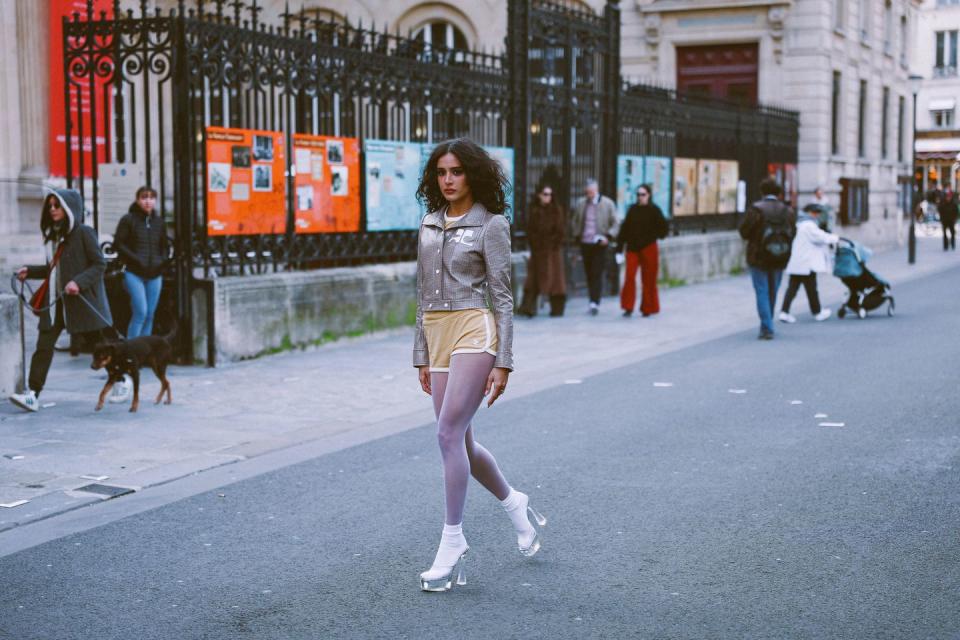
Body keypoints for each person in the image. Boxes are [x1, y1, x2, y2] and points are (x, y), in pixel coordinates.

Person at [413, 138, 545, 593]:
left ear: (473, 174)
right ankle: (515, 503)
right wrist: (422, 356)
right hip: (437, 333)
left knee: (447, 433)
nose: (448, 180)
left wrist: (503, 362)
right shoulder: (429, 223)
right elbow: (421, 294)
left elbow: (503, 296)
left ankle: (452, 540)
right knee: (462, 443)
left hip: (474, 328)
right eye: (441, 172)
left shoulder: (491, 225)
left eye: (457, 172)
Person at [9, 189, 112, 412]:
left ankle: (121, 379)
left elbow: (99, 264)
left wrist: (78, 282)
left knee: (99, 344)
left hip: (81, 301)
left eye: (57, 205)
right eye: (51, 205)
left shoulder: (84, 233)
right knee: (43, 346)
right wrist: (31, 271)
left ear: (69, 209)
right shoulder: (55, 236)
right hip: (56, 304)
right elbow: (53, 269)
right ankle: (33, 394)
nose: (53, 209)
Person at [738, 177, 796, 340]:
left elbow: (744, 232)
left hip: (758, 256)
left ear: (762, 192)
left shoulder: (756, 210)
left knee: (761, 290)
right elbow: (793, 232)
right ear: (778, 193)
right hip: (780, 255)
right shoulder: (787, 210)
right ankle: (767, 323)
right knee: (773, 290)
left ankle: (767, 326)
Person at [114, 186, 169, 338]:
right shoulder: (128, 220)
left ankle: (144, 351)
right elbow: (118, 244)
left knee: (150, 314)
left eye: (151, 198)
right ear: (137, 200)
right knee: (141, 312)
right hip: (134, 273)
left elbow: (164, 245)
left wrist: (161, 260)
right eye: (144, 197)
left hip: (155, 274)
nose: (148, 201)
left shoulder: (159, 222)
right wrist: (136, 259)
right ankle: (130, 351)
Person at [778, 203, 839, 324]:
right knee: (811, 288)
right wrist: (835, 238)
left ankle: (784, 312)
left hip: (798, 261)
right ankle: (817, 312)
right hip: (806, 263)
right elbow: (820, 237)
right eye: (815, 213)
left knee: (793, 288)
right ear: (810, 212)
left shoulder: (800, 223)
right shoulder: (808, 225)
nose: (817, 215)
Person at [617, 184, 668, 318]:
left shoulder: (654, 210)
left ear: (649, 195)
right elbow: (624, 229)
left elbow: (663, 228)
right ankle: (628, 307)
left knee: (649, 279)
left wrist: (654, 235)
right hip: (633, 248)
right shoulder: (632, 210)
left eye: (643, 194)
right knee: (629, 276)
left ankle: (648, 307)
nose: (640, 197)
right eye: (638, 195)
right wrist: (619, 248)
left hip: (648, 247)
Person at [570, 178, 618, 315]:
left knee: (596, 272)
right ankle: (592, 299)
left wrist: (608, 236)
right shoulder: (581, 203)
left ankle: (594, 302)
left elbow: (615, 223)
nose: (589, 195)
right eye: (587, 192)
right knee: (589, 272)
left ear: (596, 191)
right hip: (585, 242)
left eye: (591, 192)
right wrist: (576, 234)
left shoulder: (607, 203)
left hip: (599, 243)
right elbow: (576, 220)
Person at [518, 184, 567, 317]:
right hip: (538, 250)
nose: (548, 197)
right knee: (533, 279)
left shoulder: (557, 210)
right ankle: (528, 307)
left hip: (552, 251)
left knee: (555, 280)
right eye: (545, 194)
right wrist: (536, 244)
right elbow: (530, 230)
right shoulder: (534, 210)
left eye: (550, 194)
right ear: (539, 195)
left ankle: (557, 308)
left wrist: (553, 243)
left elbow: (561, 231)